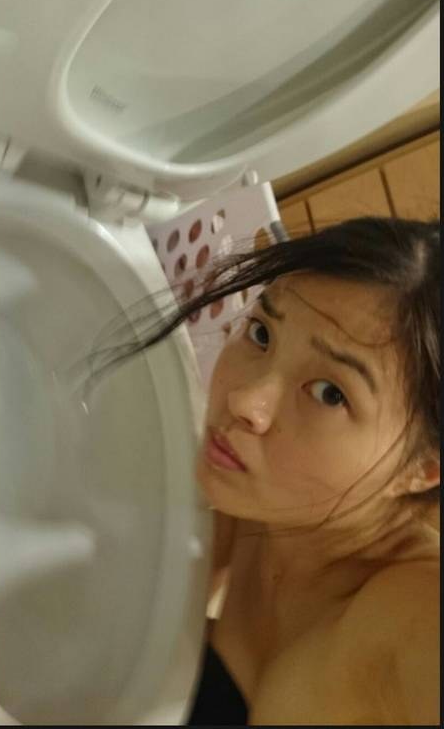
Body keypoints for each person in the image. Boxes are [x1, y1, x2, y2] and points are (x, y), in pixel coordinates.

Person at [97, 216, 440, 725]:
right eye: (261, 333)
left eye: (330, 393)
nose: (244, 400)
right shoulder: (252, 499)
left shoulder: (410, 611)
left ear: (424, 468)